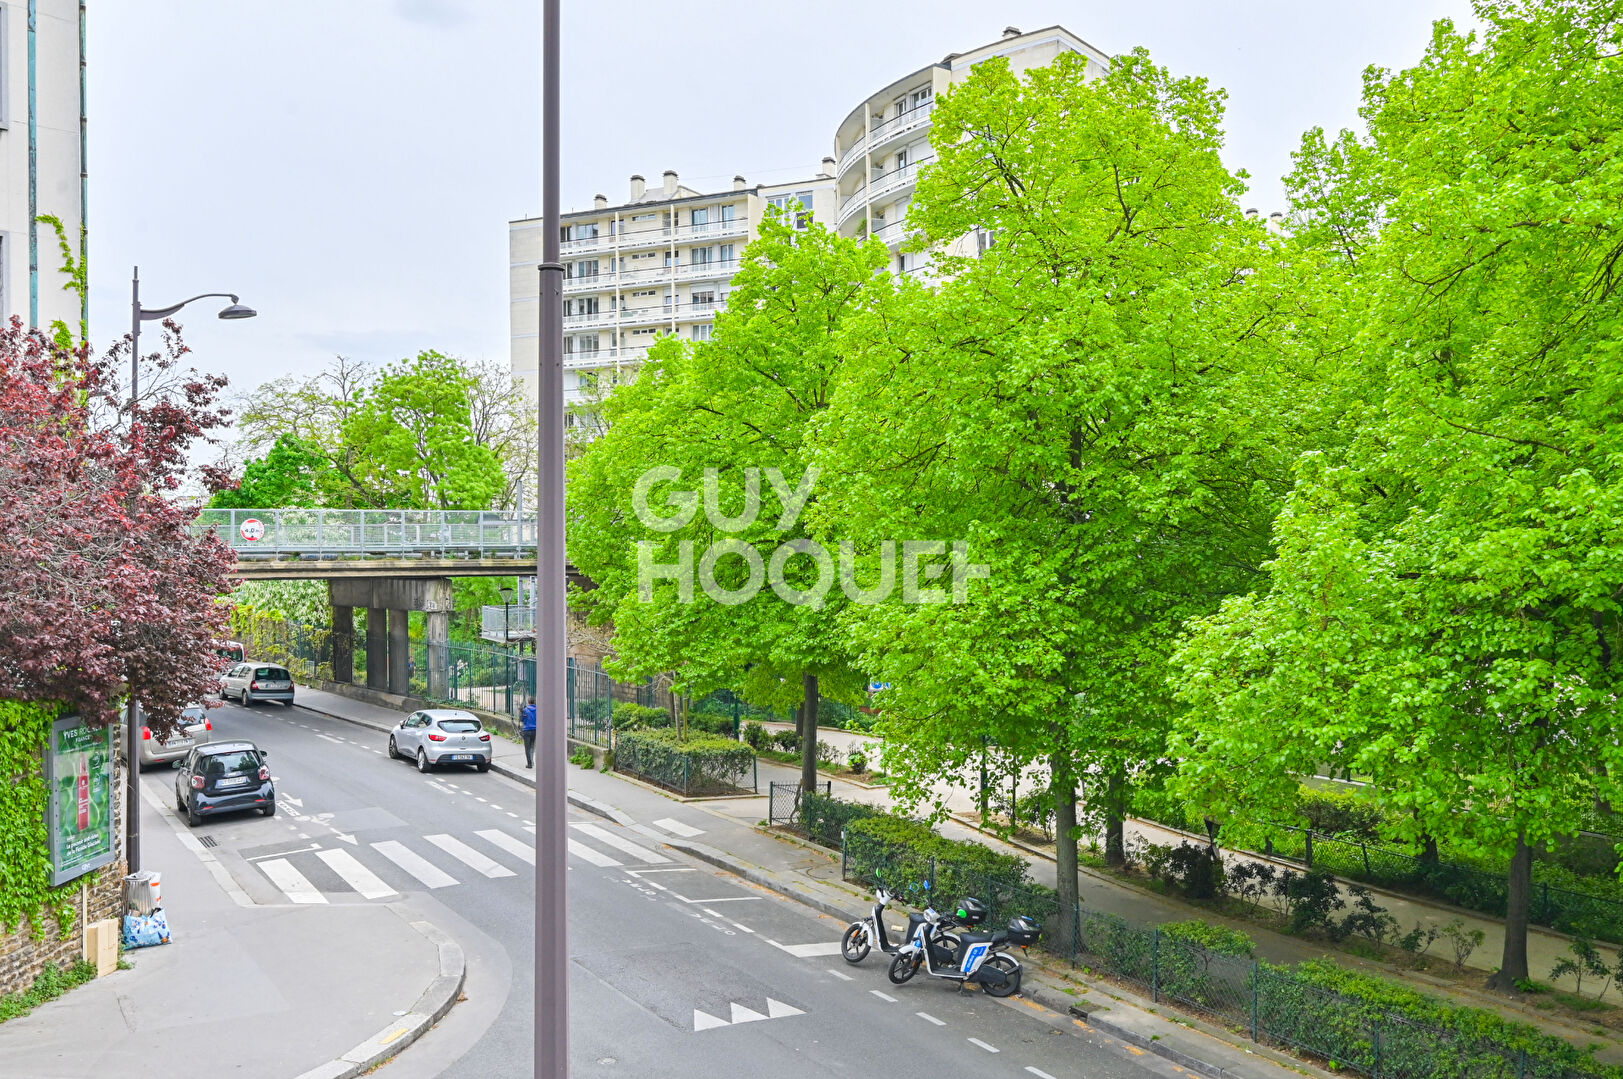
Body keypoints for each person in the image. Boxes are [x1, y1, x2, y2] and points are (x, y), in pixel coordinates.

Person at [521, 697, 537, 769]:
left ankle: (529, 763)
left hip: (526, 730)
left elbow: (522, 720)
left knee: (527, 748)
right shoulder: (538, 710)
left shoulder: (525, 710)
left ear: (528, 702)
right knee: (532, 746)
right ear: (534, 702)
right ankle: (532, 761)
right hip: (535, 730)